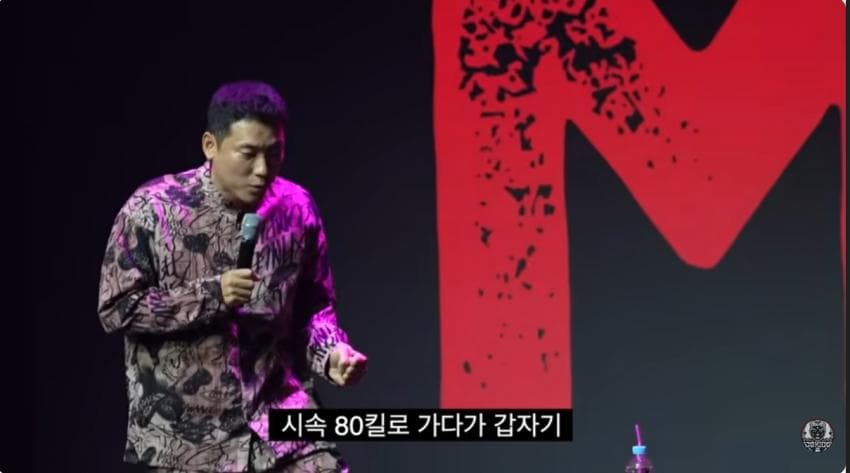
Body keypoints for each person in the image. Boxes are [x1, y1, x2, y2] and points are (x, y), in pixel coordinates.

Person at [97, 81, 367, 472]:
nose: (262, 170)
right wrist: (212, 295)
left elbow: (314, 310)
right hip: (189, 440)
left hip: (282, 422)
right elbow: (116, 308)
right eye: (248, 154)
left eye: (274, 153)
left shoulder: (297, 208)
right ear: (211, 146)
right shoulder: (153, 209)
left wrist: (332, 353)